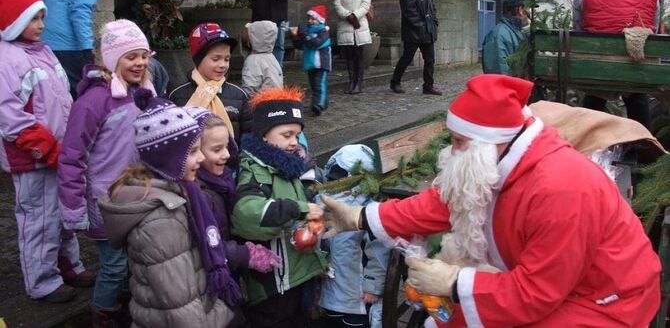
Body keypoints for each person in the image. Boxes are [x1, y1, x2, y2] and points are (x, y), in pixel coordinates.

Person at [322, 74, 661, 327]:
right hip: (552, 286)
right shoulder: (492, 160)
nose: (449, 151)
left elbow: (538, 292)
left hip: (604, 302)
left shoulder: (561, 188)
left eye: (457, 141)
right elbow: (438, 205)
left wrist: (454, 282)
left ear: (488, 141)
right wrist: (358, 217)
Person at [99, 93, 239, 327]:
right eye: (193, 151)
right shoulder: (163, 218)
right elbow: (179, 305)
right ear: (170, 158)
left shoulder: (181, 192)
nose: (202, 157)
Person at [0, 0, 94, 304]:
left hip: (59, 150)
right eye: (33, 19)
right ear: (13, 22)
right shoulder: (6, 60)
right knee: (39, 219)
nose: (41, 25)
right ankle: (42, 280)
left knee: (65, 212)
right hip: (33, 156)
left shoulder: (43, 50)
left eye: (42, 17)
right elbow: (10, 117)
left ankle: (69, 264)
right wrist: (48, 147)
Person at [57, 19, 155, 324]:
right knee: (114, 265)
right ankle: (102, 312)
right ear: (112, 59)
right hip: (106, 199)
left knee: (132, 260)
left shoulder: (144, 93)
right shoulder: (93, 102)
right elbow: (72, 157)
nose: (139, 63)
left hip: (138, 193)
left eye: (143, 55)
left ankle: (124, 305)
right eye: (131, 56)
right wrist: (73, 208)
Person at [231, 87, 327, 327]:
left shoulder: (292, 166)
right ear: (264, 134)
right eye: (287, 135)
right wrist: (298, 209)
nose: (295, 142)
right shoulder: (253, 170)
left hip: (300, 273)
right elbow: (246, 213)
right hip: (274, 284)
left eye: (297, 135)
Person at [197, 114, 283, 326]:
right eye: (216, 150)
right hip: (209, 288)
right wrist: (245, 253)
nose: (226, 154)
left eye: (227, 146)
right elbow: (202, 245)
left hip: (229, 274)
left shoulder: (224, 180)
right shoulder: (200, 195)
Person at [573, 0, 660, 128]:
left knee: (594, 94)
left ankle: (585, 144)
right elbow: (654, 29)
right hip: (636, 68)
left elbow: (578, 32)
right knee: (636, 93)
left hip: (598, 69)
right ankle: (645, 148)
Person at [317, 145, 388, 328]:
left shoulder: (366, 211)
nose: (336, 182)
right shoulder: (322, 202)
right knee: (333, 320)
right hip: (331, 289)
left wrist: (373, 285)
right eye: (334, 177)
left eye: (341, 177)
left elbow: (379, 250)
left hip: (358, 294)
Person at [169, 22, 253, 146]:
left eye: (227, 59)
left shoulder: (240, 95)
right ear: (198, 59)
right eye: (215, 59)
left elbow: (248, 138)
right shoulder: (177, 95)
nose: (223, 65)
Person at [40, 0, 106, 98]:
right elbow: (80, 9)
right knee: (84, 95)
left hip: (44, 43)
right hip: (67, 46)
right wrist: (87, 49)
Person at [390, 0, 442, 96]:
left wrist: (434, 22)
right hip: (413, 32)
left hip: (427, 30)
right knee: (407, 58)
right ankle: (395, 82)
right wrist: (421, 26)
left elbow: (431, 7)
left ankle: (428, 86)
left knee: (430, 60)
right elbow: (409, 11)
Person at [333, 0, 372, 95]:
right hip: (345, 24)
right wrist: (348, 16)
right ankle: (351, 81)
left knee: (358, 55)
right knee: (348, 56)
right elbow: (337, 4)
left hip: (359, 24)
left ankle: (358, 83)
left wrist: (355, 15)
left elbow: (366, 3)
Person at [291, 5, 332, 116]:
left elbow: (314, 43)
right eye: (308, 19)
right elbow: (301, 45)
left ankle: (318, 105)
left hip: (321, 64)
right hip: (311, 64)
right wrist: (295, 37)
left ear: (319, 20)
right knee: (314, 85)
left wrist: (303, 34)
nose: (310, 21)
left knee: (319, 85)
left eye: (313, 19)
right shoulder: (308, 32)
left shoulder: (323, 32)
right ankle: (322, 102)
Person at [481, 0, 529, 75]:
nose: (529, 14)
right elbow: (498, 75)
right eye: (528, 9)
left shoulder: (517, 32)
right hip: (509, 87)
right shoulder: (498, 35)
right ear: (520, 10)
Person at [240, 20, 284, 97]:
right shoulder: (271, 57)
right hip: (276, 101)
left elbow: (249, 88)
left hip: (261, 103)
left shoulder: (253, 61)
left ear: (254, 38)